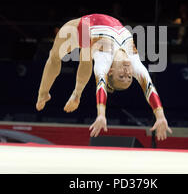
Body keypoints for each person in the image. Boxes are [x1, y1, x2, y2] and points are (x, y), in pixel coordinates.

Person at [35, 13, 172, 140]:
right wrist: (160, 116)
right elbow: (149, 88)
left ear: (110, 71)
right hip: (104, 27)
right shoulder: (135, 63)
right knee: (86, 56)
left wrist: (101, 115)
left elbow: (101, 85)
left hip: (84, 26)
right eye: (129, 77)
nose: (127, 73)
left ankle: (44, 93)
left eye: (121, 77)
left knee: (55, 56)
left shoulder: (104, 61)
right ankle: (76, 94)